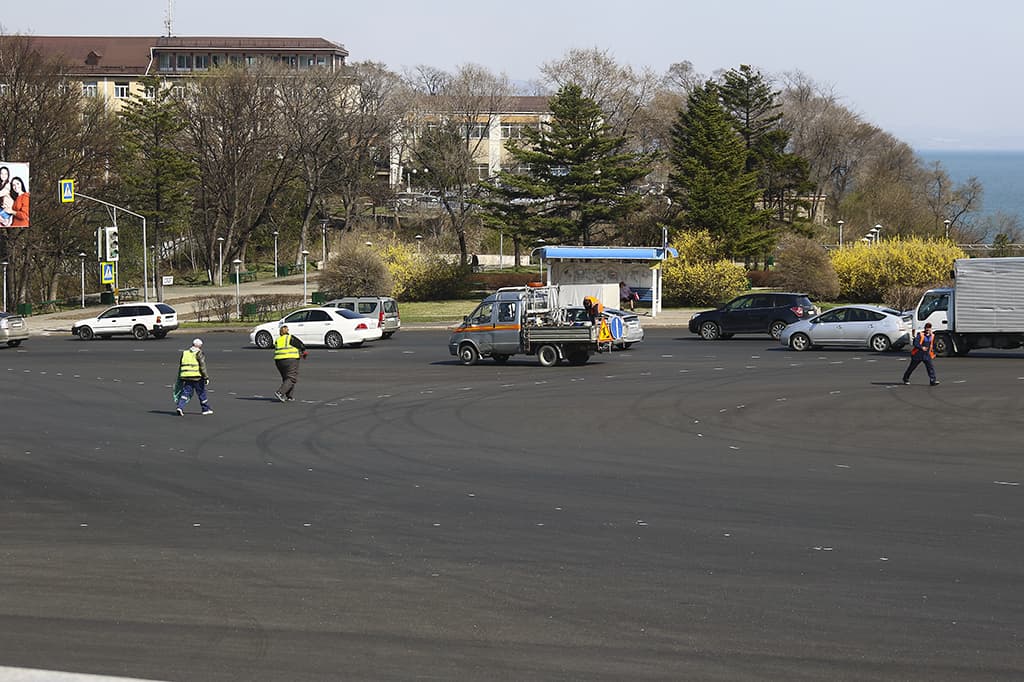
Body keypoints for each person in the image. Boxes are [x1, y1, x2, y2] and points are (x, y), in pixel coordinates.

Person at [175, 338, 213, 415]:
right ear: (199, 346)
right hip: (197, 377)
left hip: (186, 376)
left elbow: (181, 364)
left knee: (185, 393)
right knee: (201, 393)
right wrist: (206, 377)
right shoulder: (199, 353)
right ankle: (205, 409)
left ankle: (180, 407)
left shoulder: (185, 353)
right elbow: (202, 366)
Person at [274, 324, 307, 402]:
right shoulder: (290, 338)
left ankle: (289, 396)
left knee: (286, 378)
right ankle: (280, 392)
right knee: (292, 378)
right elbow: (301, 345)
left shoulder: (278, 340)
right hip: (291, 360)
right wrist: (303, 352)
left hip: (279, 361)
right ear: (287, 331)